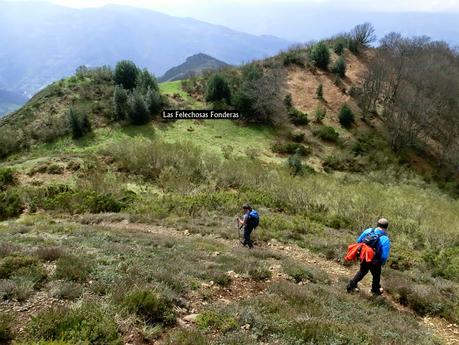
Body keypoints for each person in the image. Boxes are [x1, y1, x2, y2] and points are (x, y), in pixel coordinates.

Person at [346, 218, 391, 295]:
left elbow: (359, 241)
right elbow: (384, 256)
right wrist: (381, 262)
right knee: (376, 276)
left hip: (365, 255)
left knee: (362, 271)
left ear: (377, 224)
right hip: (375, 260)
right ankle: (375, 291)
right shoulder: (385, 239)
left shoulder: (368, 231)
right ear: (386, 227)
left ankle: (351, 286)